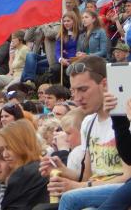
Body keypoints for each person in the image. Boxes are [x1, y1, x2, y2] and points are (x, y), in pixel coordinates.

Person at [40, 56, 131, 209]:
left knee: (70, 199)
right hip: (94, 191)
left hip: (119, 190)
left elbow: (128, 176)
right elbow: (87, 176)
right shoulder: (88, 123)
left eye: (83, 89)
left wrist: (76, 187)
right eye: (73, 91)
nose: (77, 98)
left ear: (104, 85)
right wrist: (63, 171)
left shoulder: (125, 117)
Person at [0, 119, 49, 209]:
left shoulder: (24, 173)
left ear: (23, 145)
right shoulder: (41, 167)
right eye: (3, 149)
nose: (5, 155)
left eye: (9, 148)